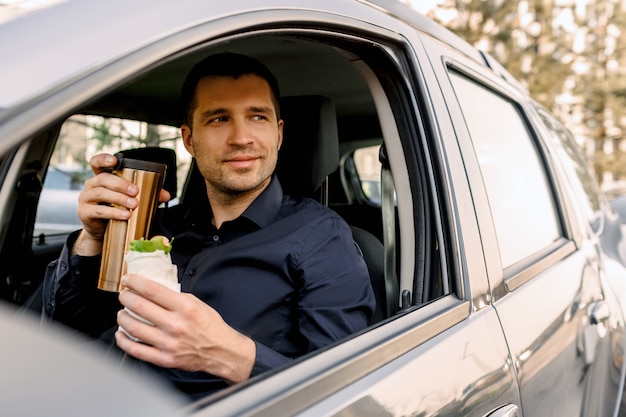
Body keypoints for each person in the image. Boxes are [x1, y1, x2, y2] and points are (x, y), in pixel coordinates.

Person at [43, 52, 375, 400]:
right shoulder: (152, 226)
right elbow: (66, 334)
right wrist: (92, 239)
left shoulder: (322, 237)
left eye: (257, 116)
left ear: (278, 134)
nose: (241, 137)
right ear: (189, 139)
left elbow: (345, 392)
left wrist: (233, 356)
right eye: (218, 119)